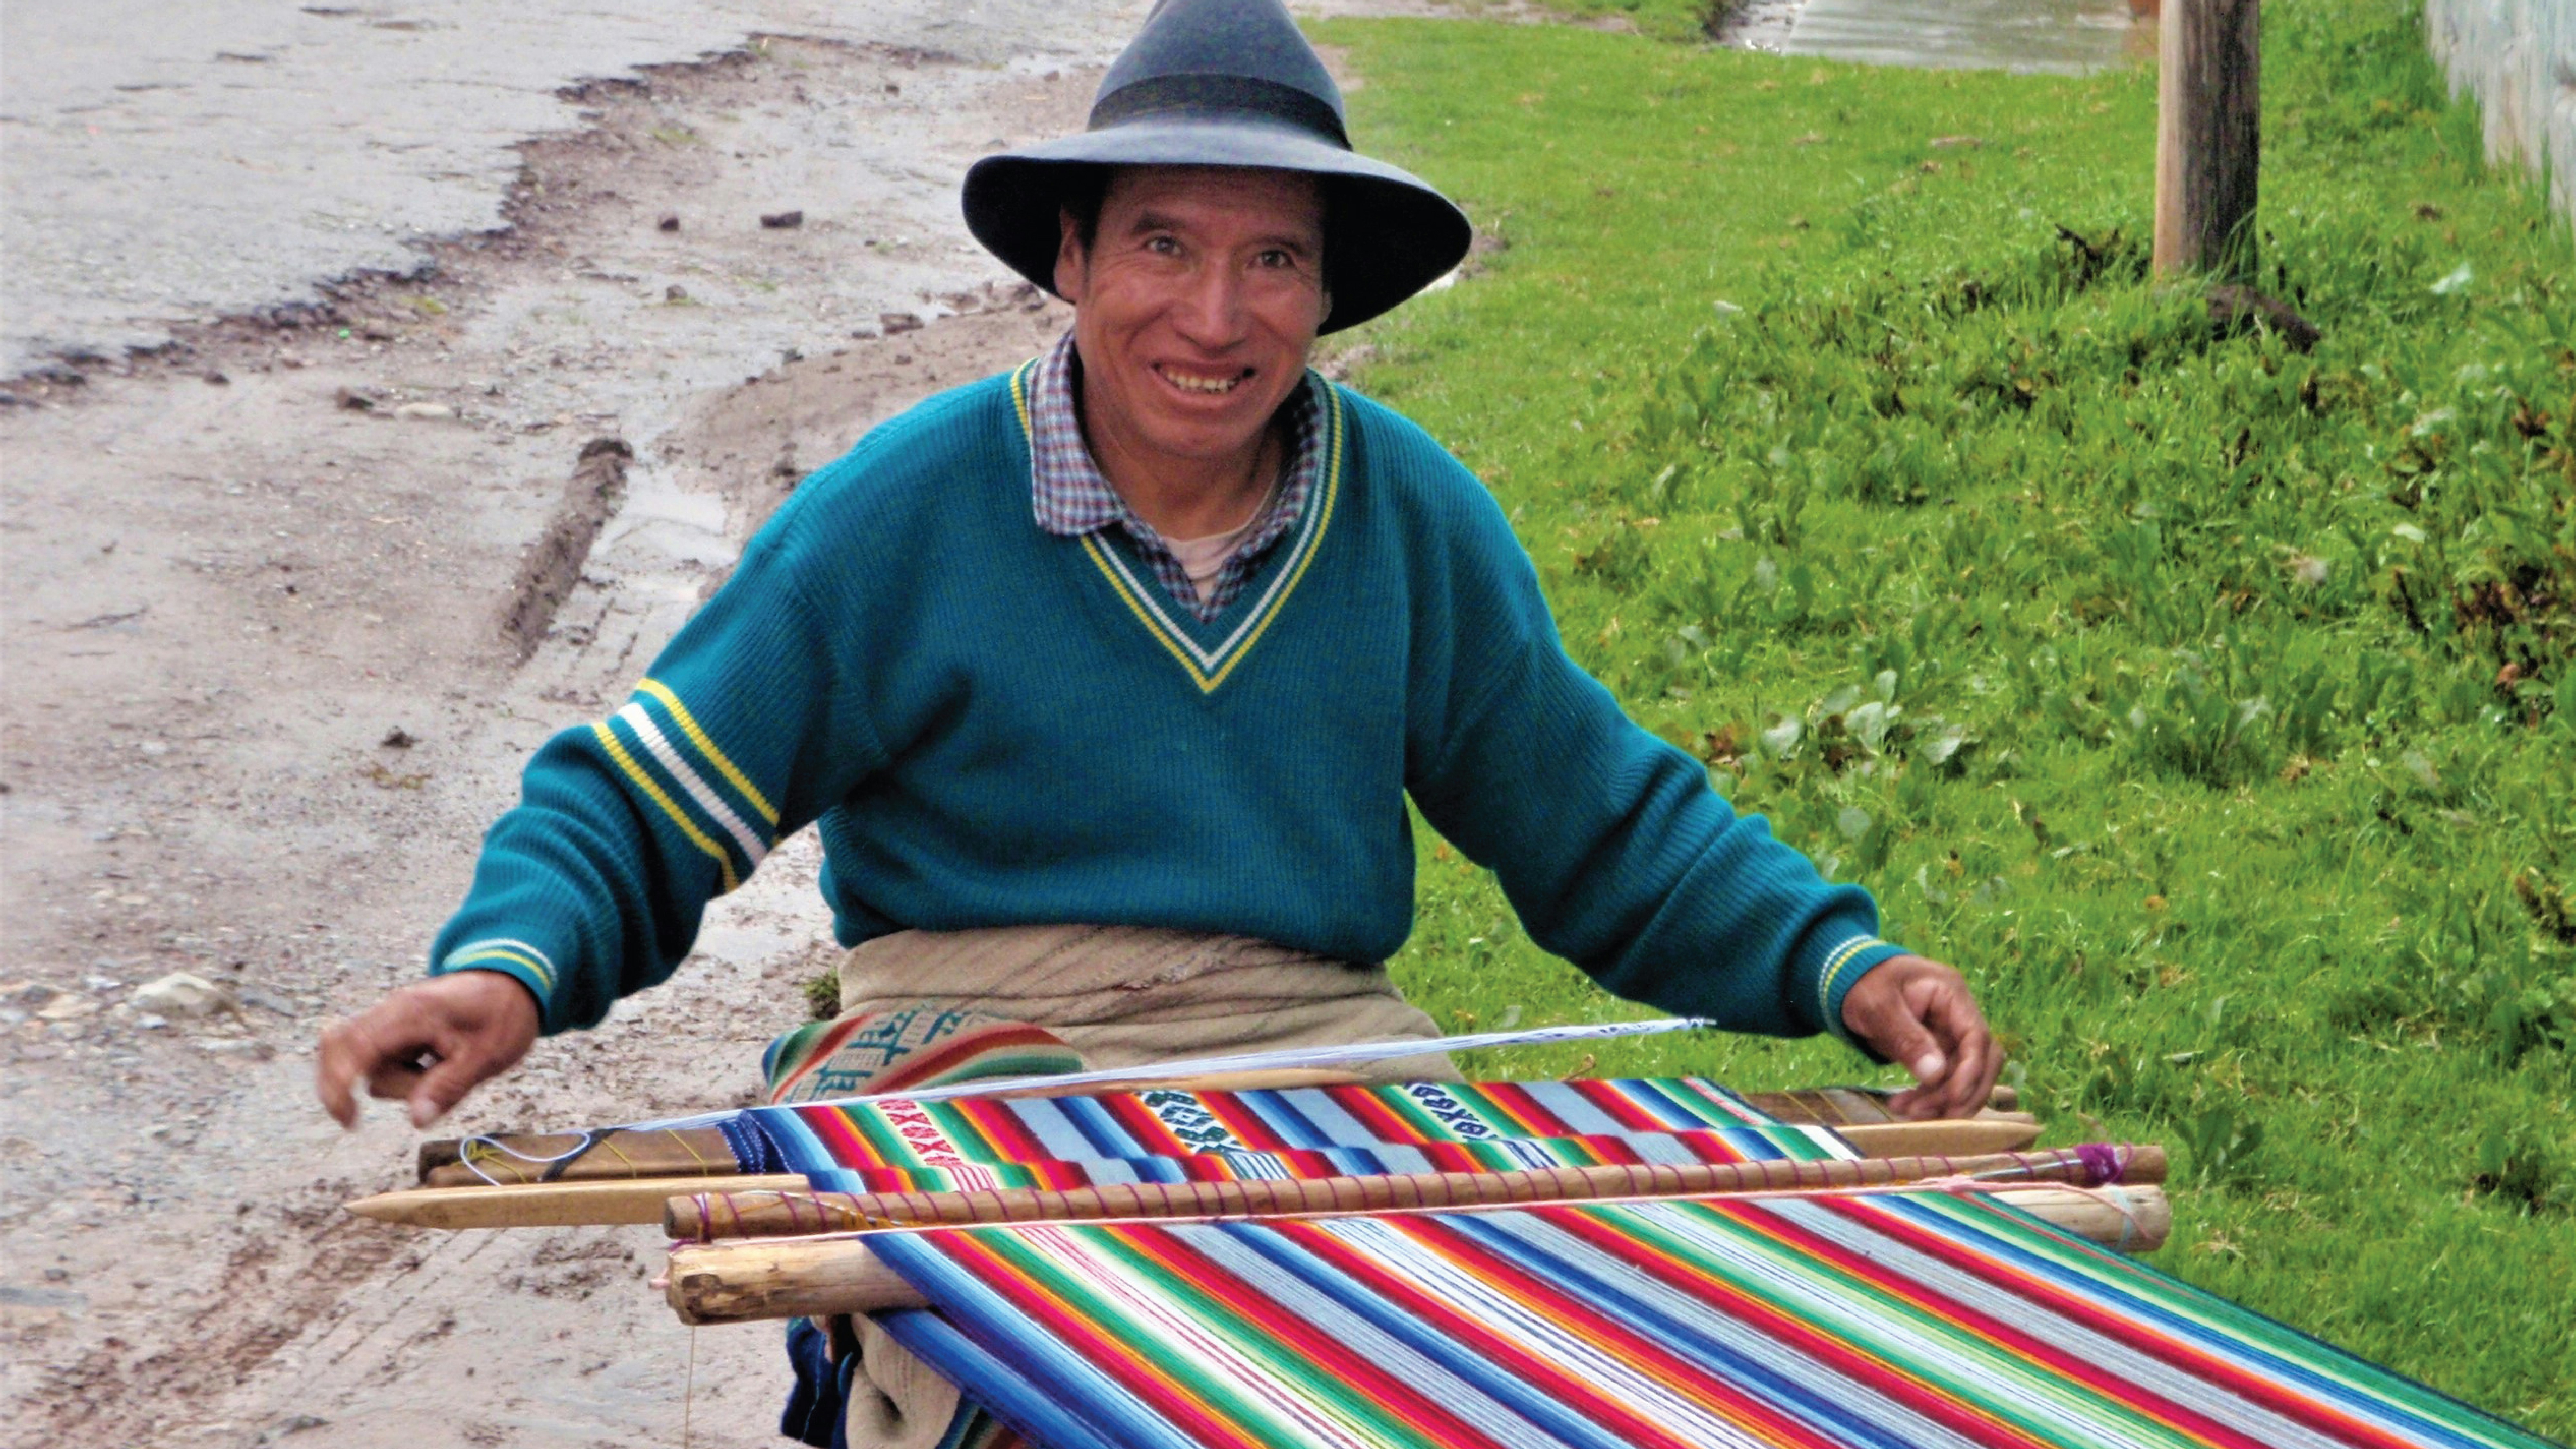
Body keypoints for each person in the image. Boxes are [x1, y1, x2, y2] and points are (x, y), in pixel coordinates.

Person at [317, 0, 1997, 1441]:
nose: (1217, 316)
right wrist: (510, 964)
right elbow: (654, 787)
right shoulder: (909, 508)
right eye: (1166, 247)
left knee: (1489, 1355)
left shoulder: (1406, 519)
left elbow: (1600, 816)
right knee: (1066, 1360)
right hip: (970, 1053)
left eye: (1274, 257)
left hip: (1315, 1063)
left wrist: (1839, 966)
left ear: (1326, 290)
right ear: (1073, 257)